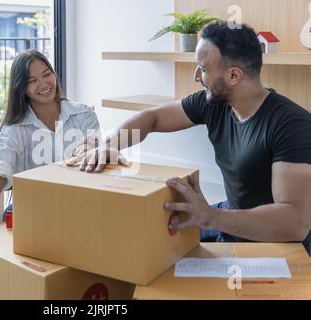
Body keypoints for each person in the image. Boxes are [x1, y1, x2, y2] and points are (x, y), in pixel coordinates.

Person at [79, 21, 311, 252]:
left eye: (204, 68)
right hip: (232, 216)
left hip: (279, 244)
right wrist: (110, 145)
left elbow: (295, 223)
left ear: (233, 76)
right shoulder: (214, 103)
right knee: (155, 240)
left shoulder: (291, 125)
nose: (196, 76)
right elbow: (153, 118)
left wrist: (212, 217)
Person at [0, 49, 100, 252]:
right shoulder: (16, 130)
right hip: (35, 212)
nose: (44, 84)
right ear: (22, 88)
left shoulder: (83, 114)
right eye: (33, 80)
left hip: (80, 208)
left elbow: (97, 152)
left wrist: (91, 148)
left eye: (47, 74)